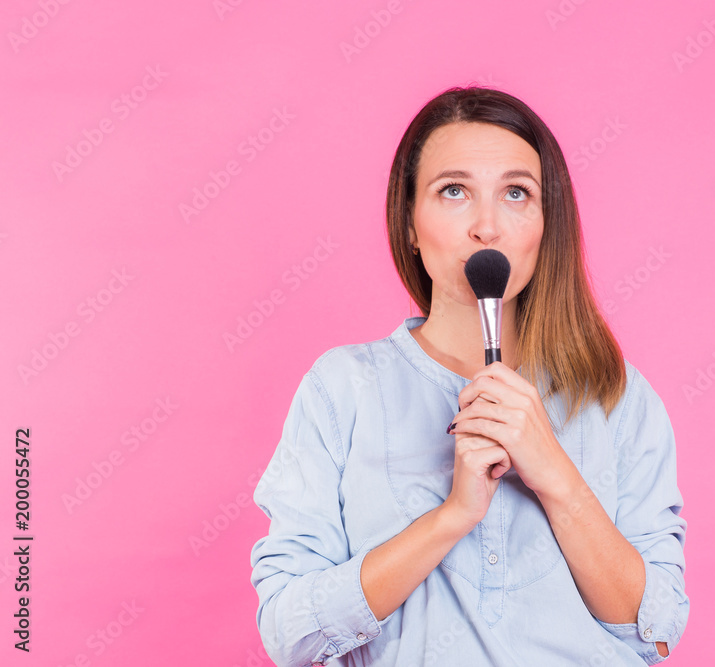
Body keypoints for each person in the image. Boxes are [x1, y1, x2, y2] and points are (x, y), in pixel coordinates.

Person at [250, 86, 689, 666]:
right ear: (409, 222)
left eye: (516, 193)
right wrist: (453, 515)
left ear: (545, 223)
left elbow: (653, 632)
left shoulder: (617, 396)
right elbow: (290, 634)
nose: (488, 226)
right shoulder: (343, 390)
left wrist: (554, 473)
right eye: (453, 191)